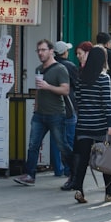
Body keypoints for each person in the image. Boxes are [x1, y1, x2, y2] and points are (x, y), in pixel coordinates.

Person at [13, 39, 72, 186]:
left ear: (51, 51)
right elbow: (39, 90)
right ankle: (29, 175)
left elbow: (65, 90)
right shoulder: (38, 69)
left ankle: (74, 172)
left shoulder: (60, 69)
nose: (40, 53)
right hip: (40, 114)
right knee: (33, 145)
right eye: (38, 50)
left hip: (56, 113)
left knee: (62, 145)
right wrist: (36, 106)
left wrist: (48, 86)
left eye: (43, 50)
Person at [68, 46, 111, 204]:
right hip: (100, 125)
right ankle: (108, 193)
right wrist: (110, 124)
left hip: (83, 125)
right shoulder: (104, 78)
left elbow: (79, 100)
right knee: (105, 160)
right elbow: (107, 103)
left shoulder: (81, 77)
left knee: (83, 159)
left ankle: (79, 190)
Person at [50, 40, 79, 188]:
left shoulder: (49, 66)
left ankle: (57, 168)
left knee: (55, 139)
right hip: (68, 107)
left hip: (52, 107)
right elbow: (77, 85)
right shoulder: (70, 66)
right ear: (64, 52)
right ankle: (69, 168)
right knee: (68, 139)